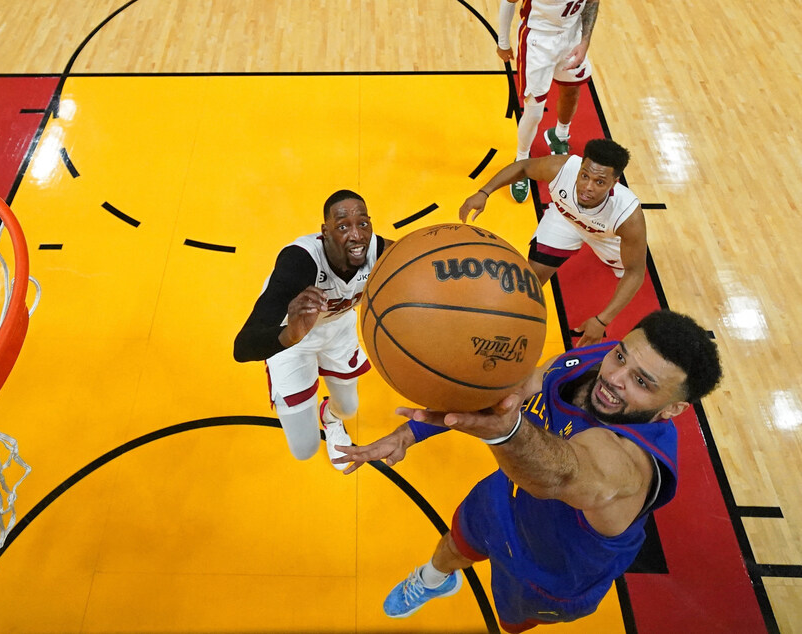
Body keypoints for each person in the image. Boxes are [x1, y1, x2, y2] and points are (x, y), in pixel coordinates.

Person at [334, 310, 722, 631]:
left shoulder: (633, 466)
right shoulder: (598, 361)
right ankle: (433, 581)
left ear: (672, 409)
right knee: (454, 543)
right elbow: (525, 385)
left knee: (508, 622)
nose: (614, 378)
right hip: (501, 501)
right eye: (621, 356)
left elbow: (563, 475)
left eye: (641, 382)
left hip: (549, 568)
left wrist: (506, 432)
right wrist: (412, 431)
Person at [233, 190, 393, 470]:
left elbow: (428, 260)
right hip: (289, 340)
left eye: (363, 223)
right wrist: (289, 335)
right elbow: (242, 347)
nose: (356, 236)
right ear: (325, 231)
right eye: (343, 226)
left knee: (347, 409)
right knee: (304, 449)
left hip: (337, 330)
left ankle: (329, 417)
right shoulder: (299, 262)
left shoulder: (380, 250)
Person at [460, 138, 644, 347]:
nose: (587, 187)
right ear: (580, 167)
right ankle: (506, 329)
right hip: (565, 220)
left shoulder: (627, 215)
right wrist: (484, 192)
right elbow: (523, 167)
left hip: (606, 237)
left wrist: (602, 320)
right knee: (529, 282)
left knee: (624, 269)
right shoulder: (561, 168)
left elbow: (635, 272)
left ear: (615, 181)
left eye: (599, 182)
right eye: (584, 176)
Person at [496, 0, 600, 203]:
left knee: (571, 92)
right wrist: (503, 43)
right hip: (538, 40)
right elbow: (508, 2)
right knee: (534, 111)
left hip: (572, 35)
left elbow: (592, 2)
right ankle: (521, 161)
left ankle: (559, 135)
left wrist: (585, 40)